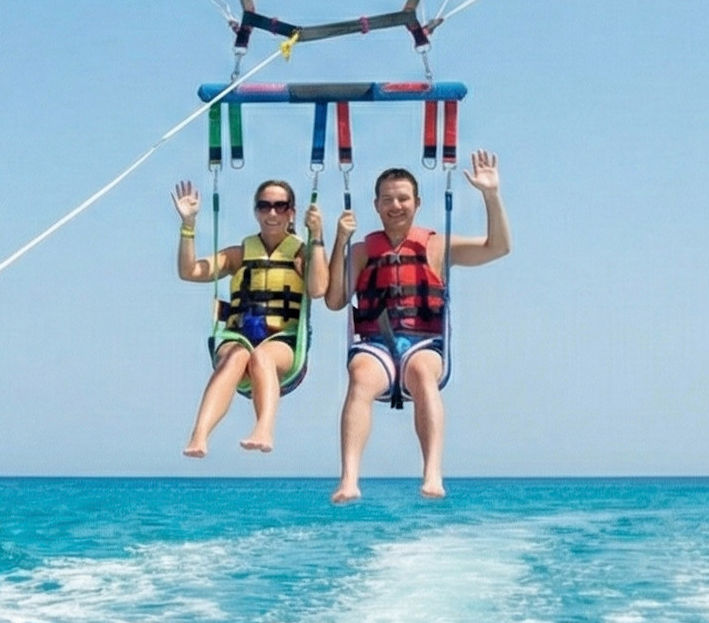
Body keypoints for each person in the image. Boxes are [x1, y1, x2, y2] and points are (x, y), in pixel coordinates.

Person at [327, 152, 509, 503]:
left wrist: (491, 194)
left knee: (423, 372)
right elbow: (335, 300)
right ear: (376, 205)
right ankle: (349, 479)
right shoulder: (362, 251)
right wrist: (340, 240)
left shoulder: (437, 245)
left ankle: (432, 473)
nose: (395, 206)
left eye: (403, 198)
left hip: (423, 343)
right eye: (387, 199)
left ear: (417, 203)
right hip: (375, 344)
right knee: (359, 376)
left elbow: (498, 247)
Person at [173, 177, 329, 456]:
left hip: (283, 342)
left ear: (292, 212)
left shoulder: (301, 254)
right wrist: (188, 225)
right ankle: (199, 435)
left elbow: (318, 289)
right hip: (238, 337)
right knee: (237, 357)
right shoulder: (239, 255)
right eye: (264, 206)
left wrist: (316, 237)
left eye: (280, 206)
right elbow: (189, 271)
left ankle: (264, 429)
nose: (272, 212)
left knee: (261, 357)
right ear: (256, 211)